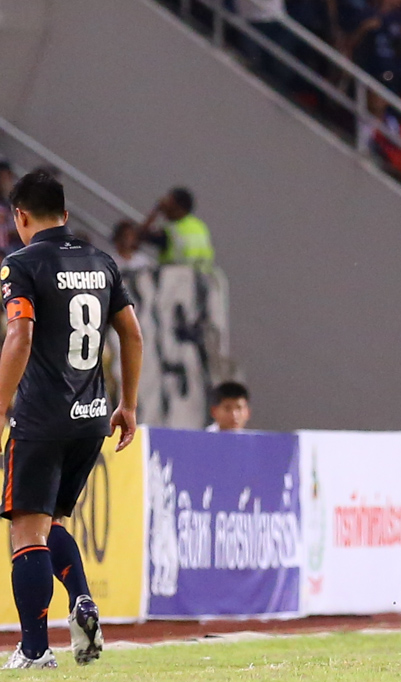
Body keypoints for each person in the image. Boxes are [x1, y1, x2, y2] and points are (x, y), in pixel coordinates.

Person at [0, 171, 143, 668]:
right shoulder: (102, 262)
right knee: (52, 524)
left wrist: (0, 405)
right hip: (91, 418)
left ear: (19, 216)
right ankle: (81, 599)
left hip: (40, 418)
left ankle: (35, 650)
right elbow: (133, 334)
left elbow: (20, 335)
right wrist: (128, 404)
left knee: (26, 534)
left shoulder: (20, 264)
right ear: (64, 213)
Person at [139, 187, 215, 266]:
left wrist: (156, 210)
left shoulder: (171, 231)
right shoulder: (199, 226)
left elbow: (140, 235)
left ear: (177, 207)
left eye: (169, 203)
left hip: (175, 271)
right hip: (201, 272)